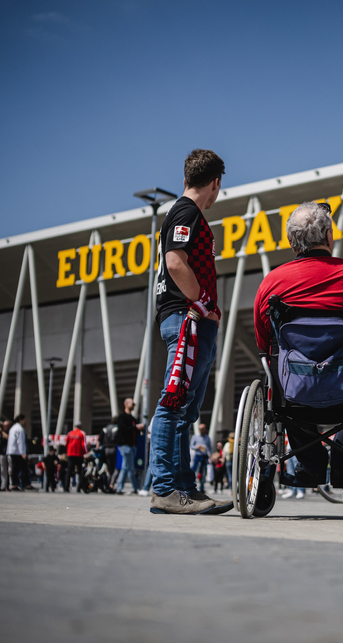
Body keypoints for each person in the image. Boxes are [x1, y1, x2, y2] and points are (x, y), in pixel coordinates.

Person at [254, 202, 343, 491]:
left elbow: (263, 340)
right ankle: (342, 464)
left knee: (278, 369)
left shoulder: (273, 282)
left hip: (294, 396)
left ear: (292, 242)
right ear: (329, 235)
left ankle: (312, 464)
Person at [149, 150, 232, 515]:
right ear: (214, 183)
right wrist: (202, 302)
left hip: (190, 319)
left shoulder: (181, 212)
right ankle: (165, 489)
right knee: (173, 405)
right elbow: (174, 261)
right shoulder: (186, 212)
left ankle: (185, 488)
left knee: (184, 410)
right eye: (219, 187)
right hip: (187, 319)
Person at [115, 398, 143, 494]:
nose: (134, 405)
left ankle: (121, 488)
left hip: (132, 445)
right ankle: (132, 488)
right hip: (125, 445)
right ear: (126, 404)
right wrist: (135, 427)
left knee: (126, 466)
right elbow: (123, 429)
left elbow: (135, 432)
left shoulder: (133, 419)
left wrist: (139, 429)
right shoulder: (122, 417)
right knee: (129, 467)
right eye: (132, 403)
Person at [64, 422, 87, 493]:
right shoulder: (82, 433)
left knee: (69, 471)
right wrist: (86, 453)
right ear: (80, 426)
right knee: (80, 472)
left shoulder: (70, 433)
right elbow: (84, 444)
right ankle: (80, 487)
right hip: (79, 454)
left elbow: (66, 443)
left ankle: (66, 487)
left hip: (70, 454)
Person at [6, 414, 27, 492]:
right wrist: (23, 452)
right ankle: (24, 484)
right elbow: (20, 441)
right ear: (20, 420)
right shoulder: (20, 429)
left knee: (14, 469)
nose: (25, 422)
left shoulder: (13, 428)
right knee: (21, 469)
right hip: (17, 452)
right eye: (24, 420)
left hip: (12, 451)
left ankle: (14, 484)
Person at [190, 423, 213, 492]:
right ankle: (192, 486)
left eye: (202, 429)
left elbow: (210, 447)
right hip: (198, 456)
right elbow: (191, 446)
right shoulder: (195, 437)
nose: (201, 430)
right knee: (195, 471)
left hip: (204, 456)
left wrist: (210, 454)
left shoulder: (207, 437)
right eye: (200, 429)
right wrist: (196, 447)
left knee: (203, 472)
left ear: (205, 429)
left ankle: (202, 488)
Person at [99, 416, 119, 487]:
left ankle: (108, 483)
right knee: (116, 467)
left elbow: (100, 438)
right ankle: (112, 483)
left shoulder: (105, 428)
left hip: (106, 448)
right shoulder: (116, 428)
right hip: (114, 448)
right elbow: (117, 437)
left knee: (109, 467)